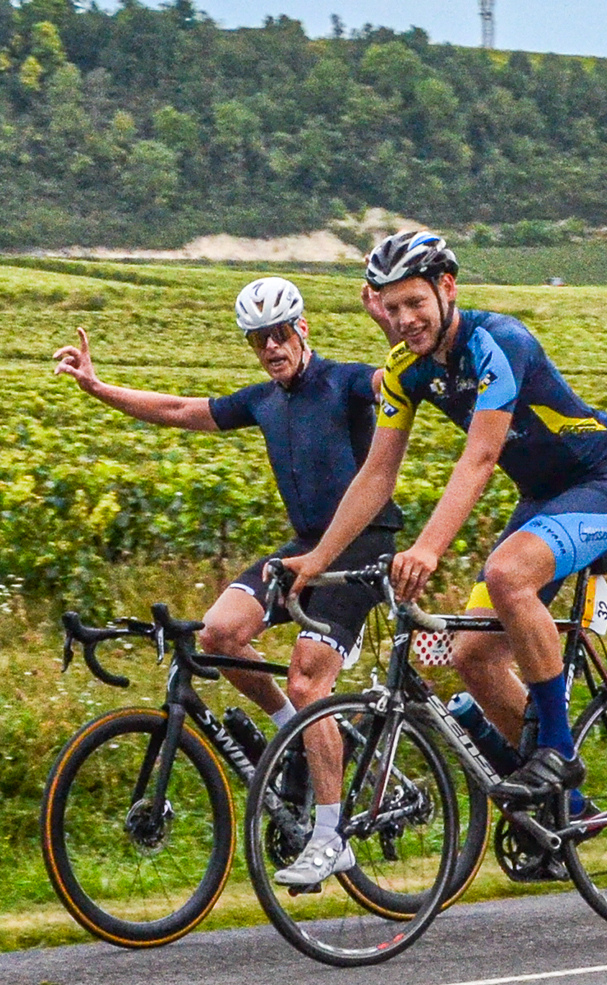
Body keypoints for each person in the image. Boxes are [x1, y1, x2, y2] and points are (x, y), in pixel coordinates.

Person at [284, 230, 607, 881]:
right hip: (542, 499)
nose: (404, 320)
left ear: (448, 288)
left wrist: (427, 547)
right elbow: (375, 476)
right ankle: (566, 810)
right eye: (391, 309)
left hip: (604, 486)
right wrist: (316, 559)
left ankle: (557, 753)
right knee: (472, 654)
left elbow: (479, 459)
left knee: (507, 575)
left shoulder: (498, 342)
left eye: (415, 302)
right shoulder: (405, 371)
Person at [53, 276, 402, 884]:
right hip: (303, 546)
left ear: (303, 330)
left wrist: (390, 325)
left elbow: (398, 379)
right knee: (219, 634)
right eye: (258, 340)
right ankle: (293, 735)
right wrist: (97, 387)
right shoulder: (265, 401)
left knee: (307, 679)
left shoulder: (345, 381)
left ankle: (330, 834)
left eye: (279, 334)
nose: (271, 347)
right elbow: (181, 411)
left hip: (362, 545)